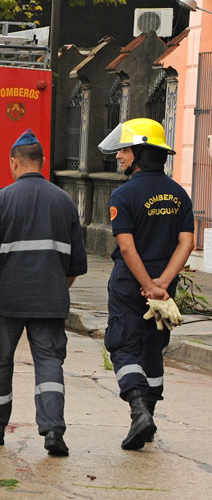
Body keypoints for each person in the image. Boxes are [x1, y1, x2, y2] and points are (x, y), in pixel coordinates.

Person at [0, 129, 87, 457]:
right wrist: (56, 288)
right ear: (42, 163)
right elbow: (76, 265)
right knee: (49, 362)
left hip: (7, 300)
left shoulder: (1, 200)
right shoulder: (64, 202)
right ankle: (52, 430)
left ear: (14, 163)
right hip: (50, 299)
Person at [98, 118, 193, 450]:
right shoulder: (180, 194)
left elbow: (127, 246)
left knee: (123, 345)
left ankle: (139, 412)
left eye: (123, 150)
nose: (119, 157)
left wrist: (146, 284)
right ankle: (147, 421)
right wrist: (163, 283)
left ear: (138, 153)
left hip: (129, 285)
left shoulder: (123, 194)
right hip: (165, 291)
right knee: (153, 349)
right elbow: (187, 244)